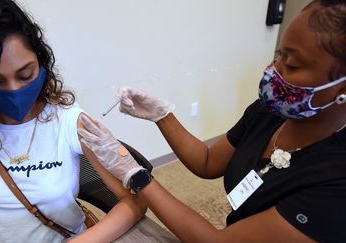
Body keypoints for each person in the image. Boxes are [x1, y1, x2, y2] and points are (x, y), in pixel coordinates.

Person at [77, 0, 346, 242]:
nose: (273, 71)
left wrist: (135, 175)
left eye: (294, 65)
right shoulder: (270, 112)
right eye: (279, 55)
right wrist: (161, 116)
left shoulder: (336, 182)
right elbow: (207, 161)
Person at [0, 0, 146, 242]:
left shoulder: (69, 121)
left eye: (26, 74)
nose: (15, 90)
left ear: (40, 61)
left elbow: (135, 202)